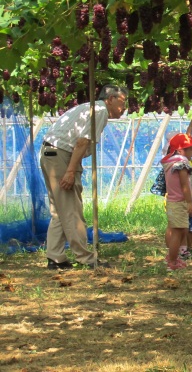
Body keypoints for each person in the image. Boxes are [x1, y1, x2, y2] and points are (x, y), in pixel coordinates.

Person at [40, 84, 128, 270]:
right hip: (61, 155)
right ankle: (85, 258)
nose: (124, 108)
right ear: (110, 99)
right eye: (122, 102)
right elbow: (82, 142)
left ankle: (55, 257)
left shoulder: (90, 108)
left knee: (60, 210)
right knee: (72, 209)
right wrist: (70, 171)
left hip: (50, 152)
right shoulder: (100, 111)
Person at [161, 133, 192, 271]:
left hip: (173, 201)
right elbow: (184, 185)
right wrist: (189, 202)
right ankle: (172, 261)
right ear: (181, 151)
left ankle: (173, 257)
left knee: (181, 230)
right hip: (180, 202)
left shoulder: (171, 163)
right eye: (191, 149)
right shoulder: (181, 164)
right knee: (177, 232)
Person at [180, 113, 192, 259]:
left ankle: (184, 247)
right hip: (191, 197)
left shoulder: (178, 162)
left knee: (182, 224)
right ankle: (189, 247)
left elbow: (185, 143)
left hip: (179, 198)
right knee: (191, 224)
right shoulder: (191, 164)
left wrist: (191, 126)